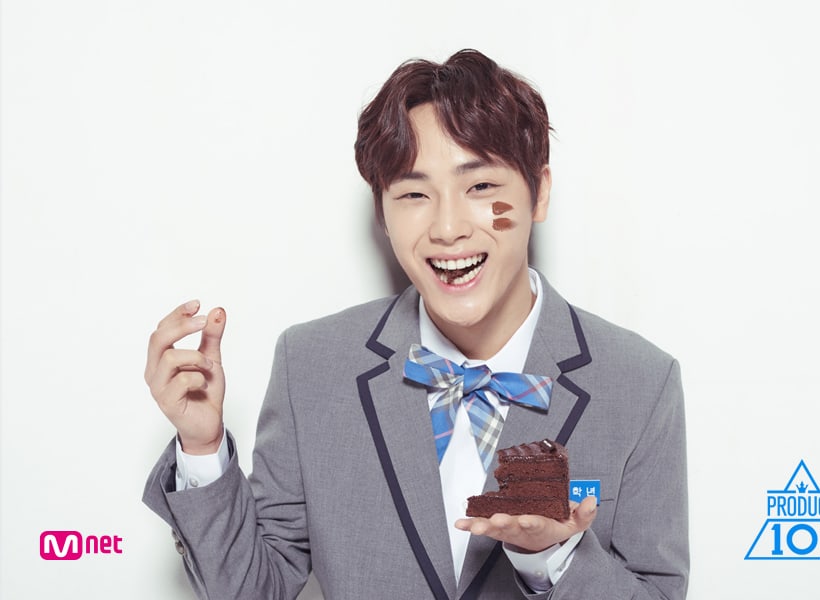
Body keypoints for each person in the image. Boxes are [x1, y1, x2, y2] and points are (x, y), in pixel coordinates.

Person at [143, 49, 689, 599]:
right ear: (382, 213)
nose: (447, 228)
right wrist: (202, 447)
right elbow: (252, 591)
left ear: (539, 192)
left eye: (480, 187)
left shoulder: (641, 383)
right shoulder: (310, 365)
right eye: (413, 194)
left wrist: (552, 557)